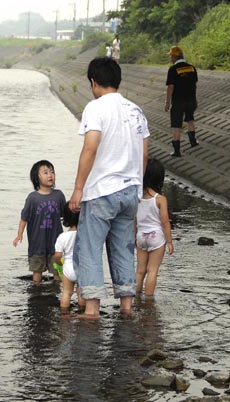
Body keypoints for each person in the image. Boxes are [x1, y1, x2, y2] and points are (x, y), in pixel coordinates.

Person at [69, 57, 150, 319]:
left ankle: (92, 309)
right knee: (123, 247)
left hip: (102, 190)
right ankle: (126, 306)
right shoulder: (137, 110)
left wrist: (78, 188)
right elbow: (144, 155)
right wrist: (137, 188)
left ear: (93, 82)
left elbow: (90, 147)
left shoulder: (95, 108)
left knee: (89, 247)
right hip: (130, 191)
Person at [13, 160, 67, 284]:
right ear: (37, 178)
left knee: (58, 272)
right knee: (37, 272)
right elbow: (24, 218)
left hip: (55, 243)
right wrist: (19, 235)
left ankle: (58, 292)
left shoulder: (59, 195)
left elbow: (66, 216)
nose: (50, 175)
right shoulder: (32, 198)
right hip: (37, 243)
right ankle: (36, 293)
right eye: (45, 172)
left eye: (52, 172)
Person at [136, 158, 174, 297]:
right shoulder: (160, 199)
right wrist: (169, 241)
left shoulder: (137, 197)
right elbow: (165, 222)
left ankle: (135, 297)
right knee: (152, 270)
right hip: (156, 237)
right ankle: (149, 301)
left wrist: (134, 237)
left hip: (141, 237)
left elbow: (134, 220)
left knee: (140, 271)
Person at [165, 45, 198, 157]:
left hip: (178, 101)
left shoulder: (173, 69)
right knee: (190, 119)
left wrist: (167, 102)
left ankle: (177, 150)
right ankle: (193, 141)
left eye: (171, 56)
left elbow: (170, 87)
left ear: (175, 56)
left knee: (176, 124)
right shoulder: (192, 68)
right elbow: (194, 83)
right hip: (191, 99)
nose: (171, 58)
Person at [53, 202, 86, 312]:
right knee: (81, 293)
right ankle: (81, 311)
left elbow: (57, 256)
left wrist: (59, 264)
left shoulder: (62, 237)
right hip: (82, 267)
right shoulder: (85, 235)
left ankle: (64, 315)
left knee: (66, 293)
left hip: (67, 267)